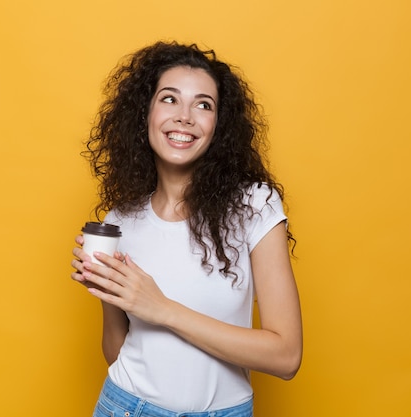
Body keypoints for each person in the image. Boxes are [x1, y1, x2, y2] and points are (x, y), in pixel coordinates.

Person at [71, 41, 302, 417]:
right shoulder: (119, 221)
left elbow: (287, 356)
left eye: (203, 104)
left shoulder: (254, 206)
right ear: (144, 114)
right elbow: (117, 352)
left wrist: (161, 308)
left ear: (219, 126)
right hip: (125, 406)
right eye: (169, 99)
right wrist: (107, 291)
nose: (185, 116)